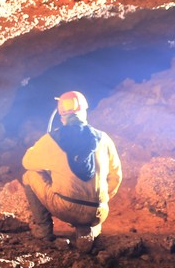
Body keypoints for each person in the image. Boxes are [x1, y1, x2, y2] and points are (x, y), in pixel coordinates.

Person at [21, 91, 122, 252]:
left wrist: (36, 150)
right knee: (92, 200)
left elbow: (27, 163)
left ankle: (44, 231)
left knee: (29, 176)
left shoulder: (52, 139)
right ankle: (86, 229)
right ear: (84, 113)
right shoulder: (104, 138)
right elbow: (116, 176)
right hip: (98, 213)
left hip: (66, 210)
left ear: (61, 116)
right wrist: (99, 200)